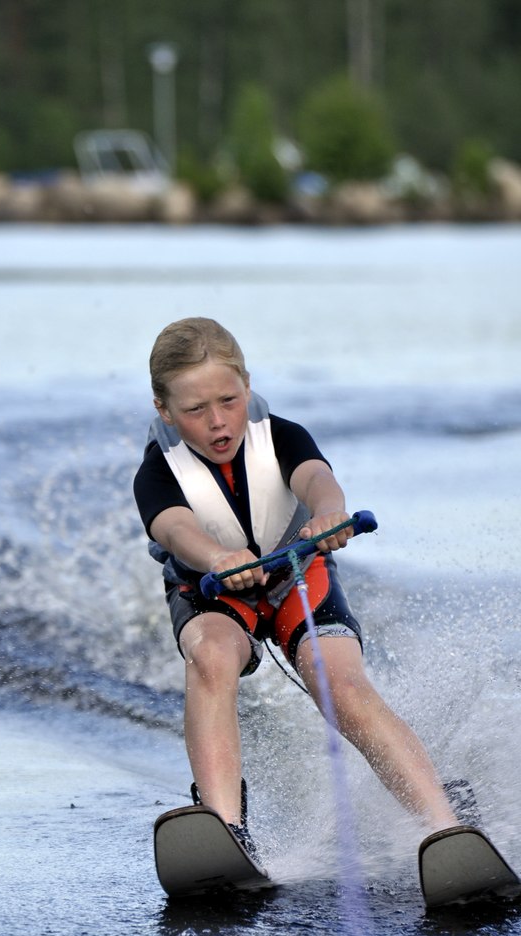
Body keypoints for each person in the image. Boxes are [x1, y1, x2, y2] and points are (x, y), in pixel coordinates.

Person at [133, 316, 459, 854]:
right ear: (164, 410)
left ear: (247, 386)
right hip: (213, 592)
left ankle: (444, 825)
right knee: (212, 657)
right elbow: (175, 528)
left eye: (229, 400)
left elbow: (316, 478)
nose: (218, 422)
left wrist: (330, 513)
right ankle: (224, 826)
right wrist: (219, 557)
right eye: (195, 410)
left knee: (339, 685)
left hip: (296, 578)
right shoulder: (156, 473)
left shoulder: (282, 435)